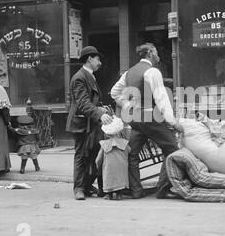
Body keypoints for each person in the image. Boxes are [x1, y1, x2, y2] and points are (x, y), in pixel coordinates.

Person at [110, 42, 182, 199]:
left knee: (132, 153)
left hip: (135, 118)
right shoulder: (153, 71)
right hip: (151, 118)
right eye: (156, 51)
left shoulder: (129, 73)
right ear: (149, 53)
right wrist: (173, 122)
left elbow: (114, 92)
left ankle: (136, 190)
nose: (158, 55)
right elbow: (161, 98)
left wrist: (127, 105)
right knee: (172, 149)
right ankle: (162, 189)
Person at [66, 46, 113, 200]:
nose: (100, 63)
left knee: (93, 155)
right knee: (81, 155)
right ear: (89, 59)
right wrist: (99, 113)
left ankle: (86, 185)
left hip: (89, 123)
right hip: (80, 123)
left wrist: (101, 108)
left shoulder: (89, 76)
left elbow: (91, 101)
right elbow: (83, 104)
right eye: (97, 59)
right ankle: (78, 189)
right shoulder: (80, 77)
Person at [95, 116, 130, 200]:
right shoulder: (124, 143)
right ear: (119, 132)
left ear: (106, 133)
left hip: (109, 168)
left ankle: (109, 194)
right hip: (122, 167)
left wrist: (97, 165)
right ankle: (119, 194)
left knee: (108, 177)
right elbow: (129, 151)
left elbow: (98, 159)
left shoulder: (104, 144)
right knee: (120, 178)